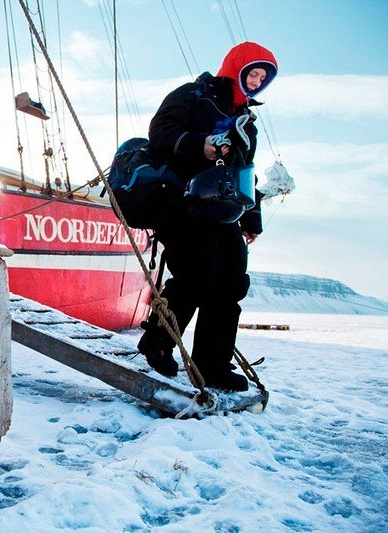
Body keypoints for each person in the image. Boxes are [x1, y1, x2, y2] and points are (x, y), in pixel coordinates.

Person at [137, 41, 278, 392]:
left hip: (225, 212)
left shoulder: (248, 125)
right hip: (183, 202)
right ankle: (157, 341)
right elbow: (160, 132)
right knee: (196, 276)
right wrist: (198, 143)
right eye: (253, 73)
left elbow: (248, 174)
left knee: (230, 283)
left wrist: (251, 221)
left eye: (263, 78)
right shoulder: (195, 96)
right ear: (236, 68)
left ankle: (212, 365)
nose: (257, 82)